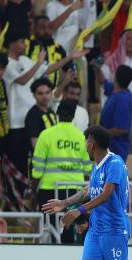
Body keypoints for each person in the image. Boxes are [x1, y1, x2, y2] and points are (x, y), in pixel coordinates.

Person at [42, 126, 132, 260]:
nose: (85, 145)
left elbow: (107, 193)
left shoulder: (115, 163)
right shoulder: (97, 166)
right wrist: (64, 203)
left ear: (91, 143)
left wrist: (79, 211)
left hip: (114, 230)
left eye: (85, 141)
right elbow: (88, 191)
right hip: (96, 230)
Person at [4, 28, 86, 210]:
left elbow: (46, 69)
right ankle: (17, 211)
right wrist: (38, 64)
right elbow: (24, 80)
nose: (25, 44)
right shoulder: (6, 64)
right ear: (12, 43)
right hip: (16, 126)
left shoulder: (26, 60)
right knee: (19, 173)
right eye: (22, 41)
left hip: (34, 124)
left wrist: (69, 57)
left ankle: (27, 208)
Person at [31, 100, 91, 243]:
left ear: (57, 114)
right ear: (73, 115)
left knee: (52, 229)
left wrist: (33, 191)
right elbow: (88, 168)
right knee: (72, 228)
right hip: (75, 191)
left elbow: (37, 169)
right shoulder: (82, 137)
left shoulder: (46, 135)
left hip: (49, 190)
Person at [99, 65, 132, 162]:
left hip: (116, 150)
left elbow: (122, 129)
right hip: (108, 149)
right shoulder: (116, 90)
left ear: (116, 76)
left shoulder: (122, 99)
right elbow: (103, 82)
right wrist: (97, 69)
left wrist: (99, 134)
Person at [25, 15, 69, 89]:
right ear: (33, 28)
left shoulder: (58, 48)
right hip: (29, 90)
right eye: (42, 28)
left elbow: (69, 70)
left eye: (49, 28)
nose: (46, 31)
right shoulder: (26, 45)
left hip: (51, 92)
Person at [24, 77, 57, 149]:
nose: (44, 96)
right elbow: (35, 145)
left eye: (47, 92)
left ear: (51, 93)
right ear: (34, 95)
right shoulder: (33, 115)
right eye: (40, 93)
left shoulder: (51, 112)